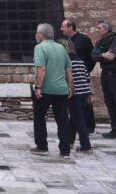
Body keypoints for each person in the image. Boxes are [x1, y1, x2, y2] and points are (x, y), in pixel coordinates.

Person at [31, 23, 73, 157]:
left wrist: (38, 87)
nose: (36, 35)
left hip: (46, 89)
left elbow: (41, 69)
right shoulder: (61, 47)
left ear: (42, 35)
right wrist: (70, 87)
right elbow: (68, 69)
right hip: (61, 89)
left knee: (39, 117)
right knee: (62, 120)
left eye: (37, 33)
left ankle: (42, 146)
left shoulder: (40, 47)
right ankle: (65, 150)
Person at [61, 18, 95, 133]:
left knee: (86, 101)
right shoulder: (67, 41)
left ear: (70, 27)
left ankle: (89, 126)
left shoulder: (84, 39)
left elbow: (92, 57)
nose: (61, 29)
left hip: (81, 75)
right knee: (74, 103)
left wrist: (86, 70)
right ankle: (76, 127)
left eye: (63, 27)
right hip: (71, 76)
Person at [61, 38, 92, 153]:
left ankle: (86, 146)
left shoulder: (67, 61)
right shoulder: (80, 60)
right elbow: (86, 77)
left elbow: (69, 78)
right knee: (74, 119)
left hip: (75, 94)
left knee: (79, 120)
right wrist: (89, 93)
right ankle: (70, 141)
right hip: (84, 92)